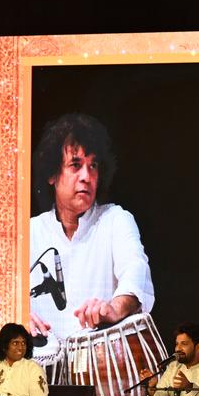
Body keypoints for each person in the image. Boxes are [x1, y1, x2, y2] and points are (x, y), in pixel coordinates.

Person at [28, 113, 155, 344]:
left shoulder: (116, 220)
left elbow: (135, 273)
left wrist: (114, 308)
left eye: (93, 165)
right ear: (52, 174)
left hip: (101, 372)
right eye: (75, 165)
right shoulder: (29, 233)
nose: (86, 176)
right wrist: (16, 317)